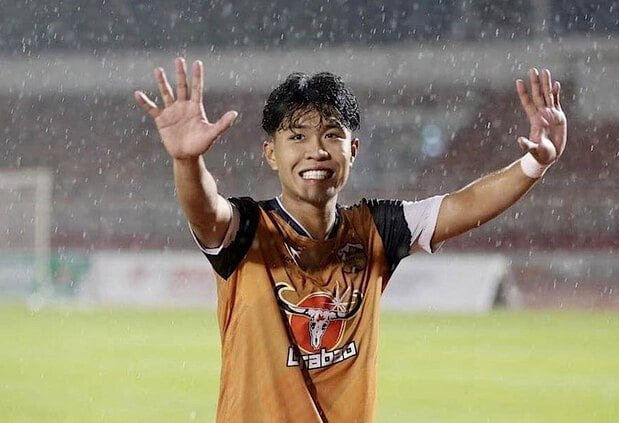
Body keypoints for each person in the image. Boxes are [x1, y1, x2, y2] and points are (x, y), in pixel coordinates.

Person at [134, 58, 566, 422]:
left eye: (332, 134)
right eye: (297, 136)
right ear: (271, 154)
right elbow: (206, 211)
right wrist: (187, 161)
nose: (317, 150)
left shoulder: (376, 228)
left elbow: (462, 206)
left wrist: (533, 164)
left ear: (353, 150)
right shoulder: (247, 229)